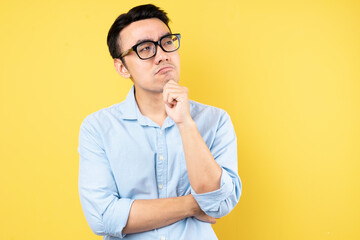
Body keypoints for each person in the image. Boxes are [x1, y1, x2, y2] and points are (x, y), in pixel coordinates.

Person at [78, 4, 241, 240]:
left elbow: (219, 205)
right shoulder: (98, 128)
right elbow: (103, 217)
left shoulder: (215, 120)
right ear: (122, 67)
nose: (162, 55)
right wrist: (193, 205)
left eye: (167, 42)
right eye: (145, 48)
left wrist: (185, 123)